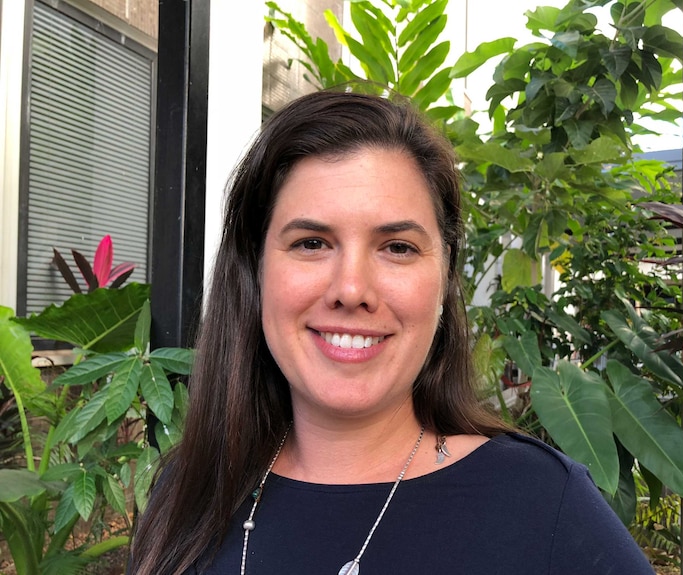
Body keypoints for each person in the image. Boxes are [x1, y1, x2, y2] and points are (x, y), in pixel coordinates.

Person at [128, 90, 654, 574]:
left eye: (397, 247)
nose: (351, 288)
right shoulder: (187, 494)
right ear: (254, 271)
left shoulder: (542, 504)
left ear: (445, 279)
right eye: (312, 242)